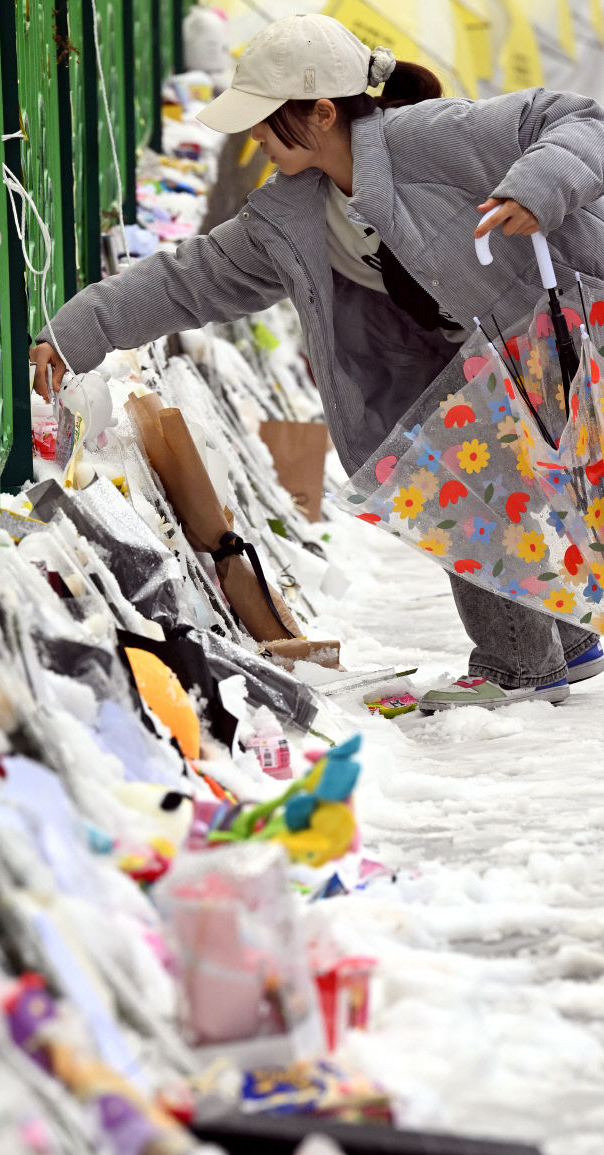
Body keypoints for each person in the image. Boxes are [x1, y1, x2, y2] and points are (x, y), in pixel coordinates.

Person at [30, 13, 604, 711]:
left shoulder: (430, 137)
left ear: (323, 112)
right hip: (491, 361)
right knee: (459, 461)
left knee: (475, 471)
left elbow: (577, 119)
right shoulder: (295, 213)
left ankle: (521, 666)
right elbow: (193, 276)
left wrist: (537, 188)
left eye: (267, 122)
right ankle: (563, 647)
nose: (256, 139)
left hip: (567, 322)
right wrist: (71, 335)